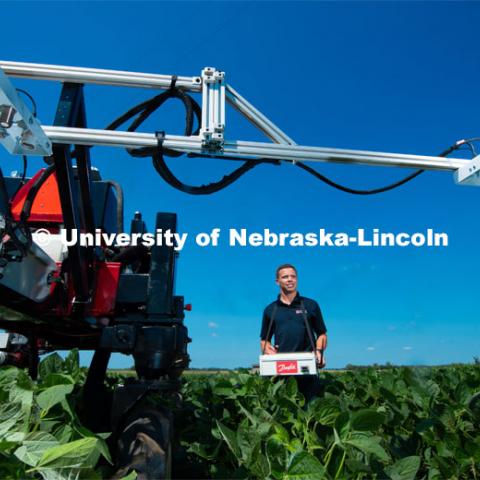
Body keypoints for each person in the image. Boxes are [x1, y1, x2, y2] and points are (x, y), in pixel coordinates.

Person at [260, 264, 327, 402]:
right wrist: (267, 349)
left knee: (309, 411)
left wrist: (319, 351)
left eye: (293, 276)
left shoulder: (311, 305)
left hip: (306, 368)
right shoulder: (270, 310)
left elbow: (322, 334)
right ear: (277, 282)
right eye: (285, 277)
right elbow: (264, 340)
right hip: (281, 370)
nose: (290, 279)